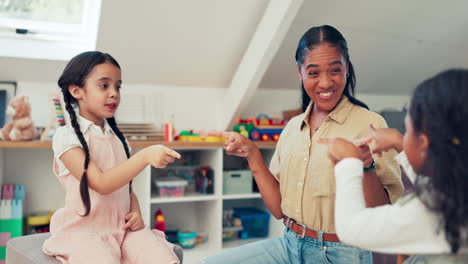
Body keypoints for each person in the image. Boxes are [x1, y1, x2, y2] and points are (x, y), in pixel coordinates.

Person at [203, 25, 404, 264]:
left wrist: (366, 167)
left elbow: (383, 217)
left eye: (335, 71)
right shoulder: (292, 128)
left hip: (342, 253)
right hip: (289, 244)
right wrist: (253, 155)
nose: (325, 83)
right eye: (313, 73)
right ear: (300, 73)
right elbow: (278, 210)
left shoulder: (370, 124)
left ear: (347, 69)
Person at [42, 51, 181, 264]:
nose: (114, 93)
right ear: (76, 90)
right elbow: (100, 183)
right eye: (104, 85)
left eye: (118, 86)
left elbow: (127, 188)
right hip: (86, 233)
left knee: (163, 258)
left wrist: (135, 212)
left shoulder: (118, 139)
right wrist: (145, 156)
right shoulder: (66, 137)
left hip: (123, 229)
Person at [321, 69, 468, 263]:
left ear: (423, 143)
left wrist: (348, 162)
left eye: (406, 132)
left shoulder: (436, 214)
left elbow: (351, 229)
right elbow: (437, 181)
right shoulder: (458, 189)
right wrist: (399, 143)